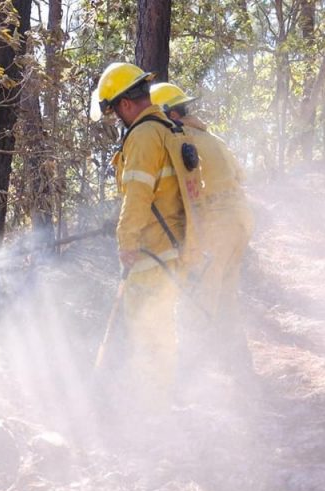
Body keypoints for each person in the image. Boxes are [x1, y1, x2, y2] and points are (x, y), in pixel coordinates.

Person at [90, 63, 187, 414]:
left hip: (150, 253)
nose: (117, 119)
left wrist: (126, 242)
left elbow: (137, 196)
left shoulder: (144, 136)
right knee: (161, 330)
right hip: (170, 250)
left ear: (126, 104)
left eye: (115, 111)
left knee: (147, 332)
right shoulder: (167, 129)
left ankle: (151, 410)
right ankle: (161, 400)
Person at [150, 82, 256, 381]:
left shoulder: (179, 140)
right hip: (240, 221)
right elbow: (241, 175)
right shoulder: (212, 138)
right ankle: (242, 370)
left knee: (196, 301)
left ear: (171, 114)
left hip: (214, 225)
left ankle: (189, 381)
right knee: (225, 297)